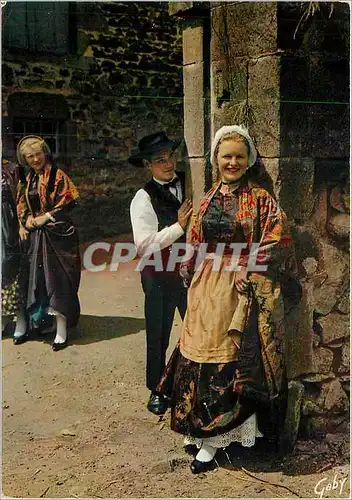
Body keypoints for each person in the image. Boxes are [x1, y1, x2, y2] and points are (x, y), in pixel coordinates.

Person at [157, 125, 295, 473]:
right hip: (205, 286)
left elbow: (279, 238)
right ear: (216, 160)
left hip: (237, 289)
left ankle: (217, 438)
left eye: (238, 156)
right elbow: (196, 240)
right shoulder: (206, 199)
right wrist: (189, 268)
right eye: (226, 156)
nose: (232, 162)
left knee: (225, 358)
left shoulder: (261, 199)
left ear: (248, 160)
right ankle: (197, 429)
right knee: (195, 353)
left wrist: (246, 263)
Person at [129, 131, 193, 415]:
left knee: (198, 325)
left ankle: (196, 385)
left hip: (190, 267)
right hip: (158, 272)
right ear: (148, 165)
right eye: (159, 160)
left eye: (171, 157)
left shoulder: (190, 180)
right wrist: (179, 227)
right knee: (159, 331)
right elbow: (144, 245)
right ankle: (156, 388)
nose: (168, 164)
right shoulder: (143, 198)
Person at [16, 135, 81, 351]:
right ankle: (45, 323)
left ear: (45, 153)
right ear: (25, 159)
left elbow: (69, 201)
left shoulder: (56, 174)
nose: (35, 160)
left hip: (58, 234)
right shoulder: (27, 178)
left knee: (58, 280)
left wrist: (47, 217)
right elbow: (22, 204)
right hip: (36, 236)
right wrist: (25, 221)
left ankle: (62, 332)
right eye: (30, 156)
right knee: (39, 281)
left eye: (38, 154)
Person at [1, 159, 28, 342]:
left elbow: (21, 199)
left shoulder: (11, 169)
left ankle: (20, 316)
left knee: (9, 265)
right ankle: (2, 316)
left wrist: (20, 224)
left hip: (7, 221)